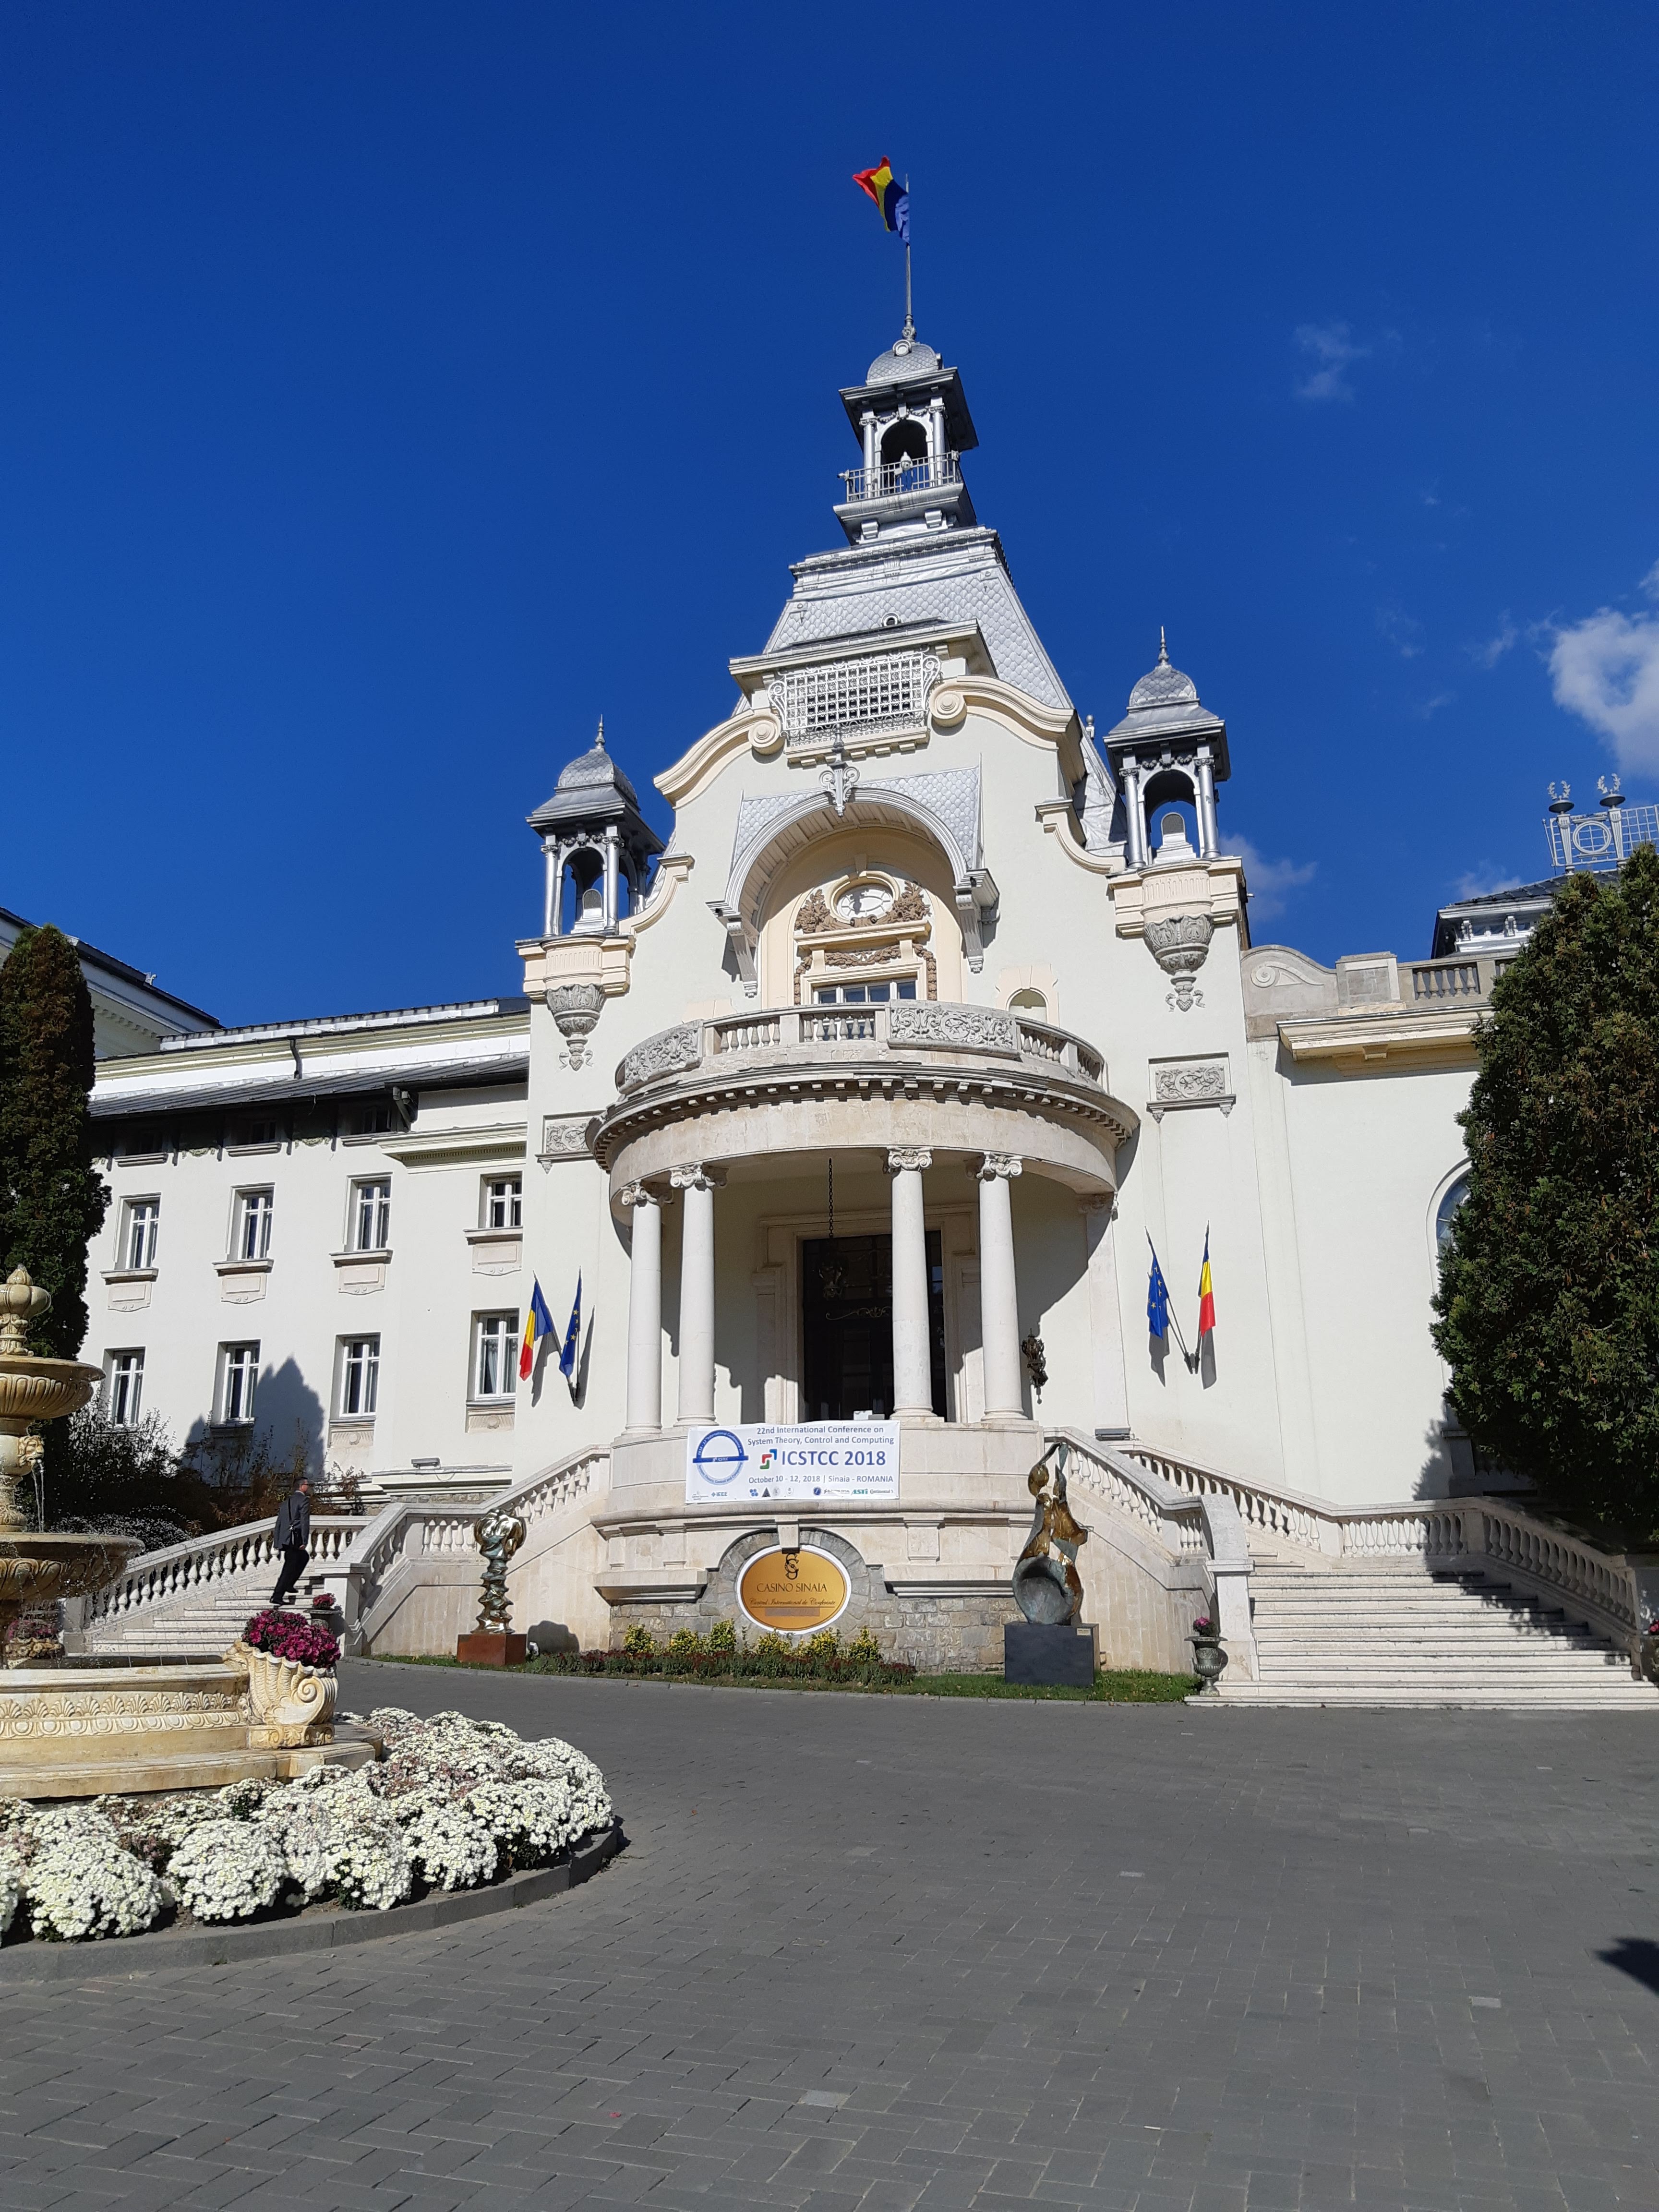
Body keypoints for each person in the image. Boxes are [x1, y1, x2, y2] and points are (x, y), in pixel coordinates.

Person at [270, 1475, 313, 1608]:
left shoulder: (286, 1502)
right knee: (289, 1568)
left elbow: (279, 1523)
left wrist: (277, 1541)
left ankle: (289, 1584)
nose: (308, 1487)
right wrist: (305, 1540)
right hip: (295, 1538)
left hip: (286, 1538)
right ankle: (277, 1595)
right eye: (307, 1484)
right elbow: (305, 1522)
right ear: (301, 1486)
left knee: (303, 1557)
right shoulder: (304, 1501)